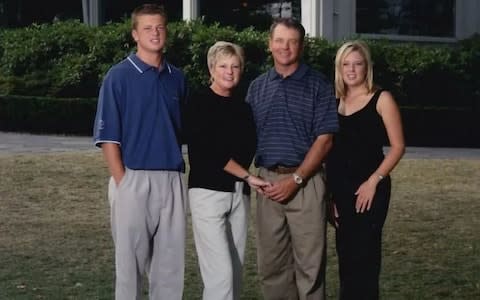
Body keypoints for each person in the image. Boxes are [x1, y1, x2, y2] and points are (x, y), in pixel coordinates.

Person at [92, 4, 187, 299]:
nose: (155, 33)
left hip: (172, 179)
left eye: (159, 27)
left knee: (170, 271)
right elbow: (109, 138)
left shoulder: (177, 78)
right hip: (133, 179)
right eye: (147, 28)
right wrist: (124, 183)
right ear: (135, 34)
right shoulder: (118, 77)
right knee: (129, 268)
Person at [246, 18, 339, 300]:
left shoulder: (318, 86)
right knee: (272, 267)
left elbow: (325, 140)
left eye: (292, 41)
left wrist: (296, 179)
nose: (285, 47)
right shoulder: (256, 88)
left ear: (301, 46)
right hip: (268, 183)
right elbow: (243, 138)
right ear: (269, 44)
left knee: (310, 267)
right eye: (279, 40)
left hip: (306, 182)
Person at [186, 41, 269, 300]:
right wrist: (247, 176)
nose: (229, 71)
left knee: (234, 271)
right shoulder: (198, 102)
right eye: (223, 66)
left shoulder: (244, 108)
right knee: (219, 274)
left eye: (235, 66)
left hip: (239, 194)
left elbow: (248, 149)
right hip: (208, 194)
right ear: (211, 68)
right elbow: (208, 152)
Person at [326, 40, 405, 300]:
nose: (351, 70)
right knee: (346, 260)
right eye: (346, 64)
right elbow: (328, 151)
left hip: (370, 189)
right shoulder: (333, 100)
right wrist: (330, 197)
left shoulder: (382, 99)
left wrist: (374, 181)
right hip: (340, 191)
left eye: (357, 64)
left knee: (365, 260)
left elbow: (397, 147)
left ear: (366, 67)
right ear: (339, 68)